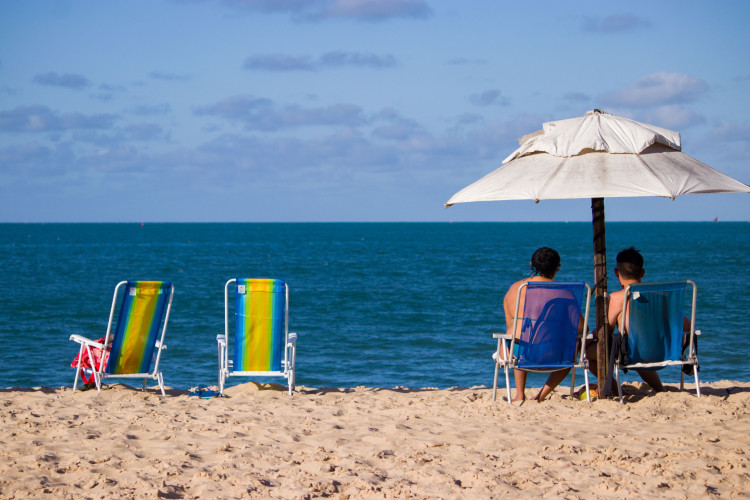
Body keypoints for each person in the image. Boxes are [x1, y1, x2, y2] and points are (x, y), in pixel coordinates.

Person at [502, 247, 580, 403]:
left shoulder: (514, 289)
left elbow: (510, 327)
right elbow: (580, 327)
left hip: (520, 355)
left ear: (531, 264)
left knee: (517, 339)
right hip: (557, 357)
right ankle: (541, 396)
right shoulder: (566, 292)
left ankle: (519, 394)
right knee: (571, 351)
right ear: (557, 268)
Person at [597, 247, 664, 392]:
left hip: (635, 353)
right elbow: (686, 326)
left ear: (616, 273)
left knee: (592, 352)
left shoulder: (616, 298)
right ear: (643, 273)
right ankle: (660, 389)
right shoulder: (660, 296)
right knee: (641, 344)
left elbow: (606, 330)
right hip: (665, 351)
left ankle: (616, 389)